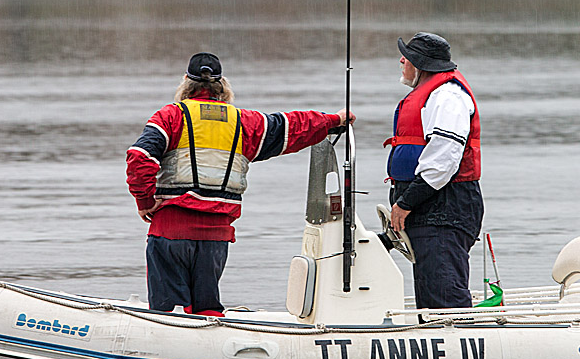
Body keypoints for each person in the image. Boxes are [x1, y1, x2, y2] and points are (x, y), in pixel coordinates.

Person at [126, 52, 354, 317]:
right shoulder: (244, 122)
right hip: (216, 236)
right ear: (222, 88)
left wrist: (144, 202)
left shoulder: (171, 116)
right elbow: (292, 125)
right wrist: (333, 120)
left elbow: (139, 158)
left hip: (169, 231)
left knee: (163, 313)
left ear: (186, 87)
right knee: (207, 309)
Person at [385, 33, 483, 310]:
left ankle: (459, 340)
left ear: (421, 65)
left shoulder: (447, 96)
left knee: (444, 297)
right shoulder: (432, 95)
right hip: (430, 209)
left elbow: (444, 161)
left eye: (407, 57)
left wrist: (405, 203)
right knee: (431, 293)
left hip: (446, 209)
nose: (401, 60)